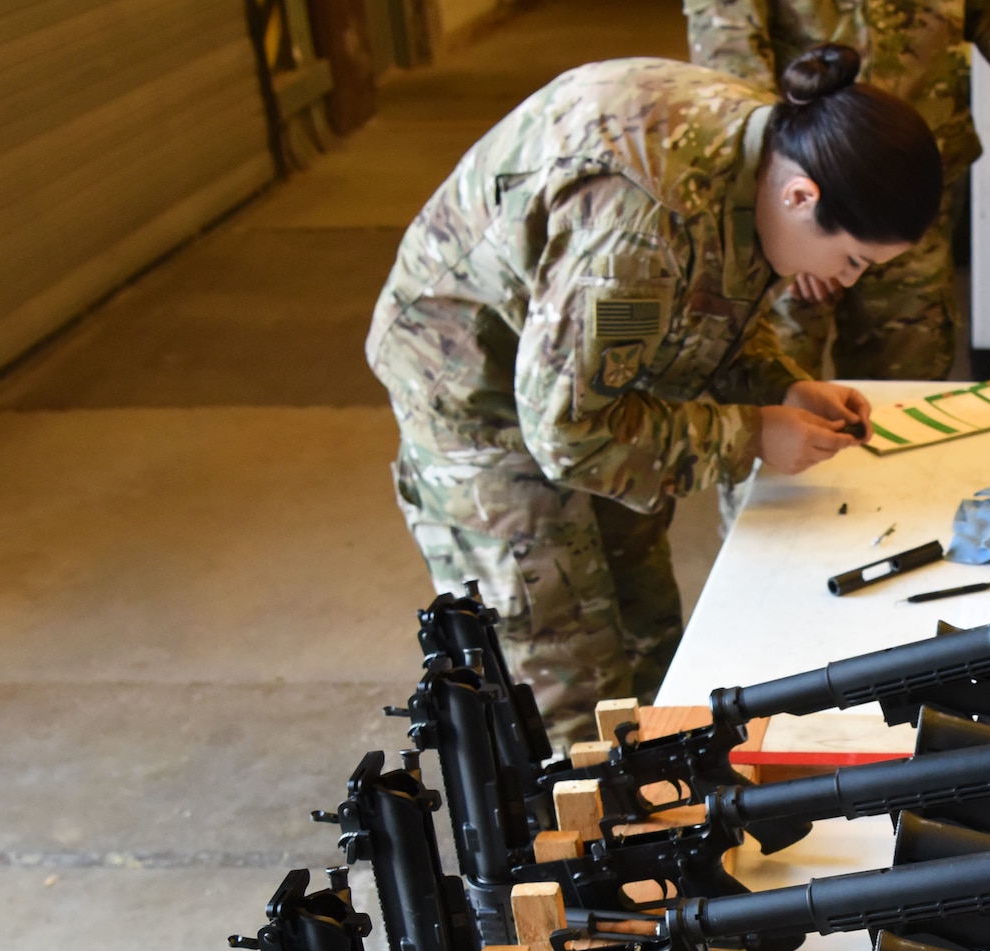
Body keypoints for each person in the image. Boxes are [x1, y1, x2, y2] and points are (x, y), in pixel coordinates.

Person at [366, 47, 942, 744]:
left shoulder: (769, 148)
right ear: (801, 197)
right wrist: (751, 434)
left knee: (648, 633)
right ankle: (569, 833)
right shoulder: (638, 230)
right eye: (852, 260)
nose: (846, 283)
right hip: (472, 387)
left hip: (579, 370)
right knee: (564, 678)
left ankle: (652, 805)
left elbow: (697, 309)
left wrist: (779, 384)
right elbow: (568, 433)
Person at [685, 0, 990, 380]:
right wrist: (787, 217)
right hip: (799, 189)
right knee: (770, 387)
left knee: (907, 381)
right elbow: (729, 53)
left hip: (912, 181)